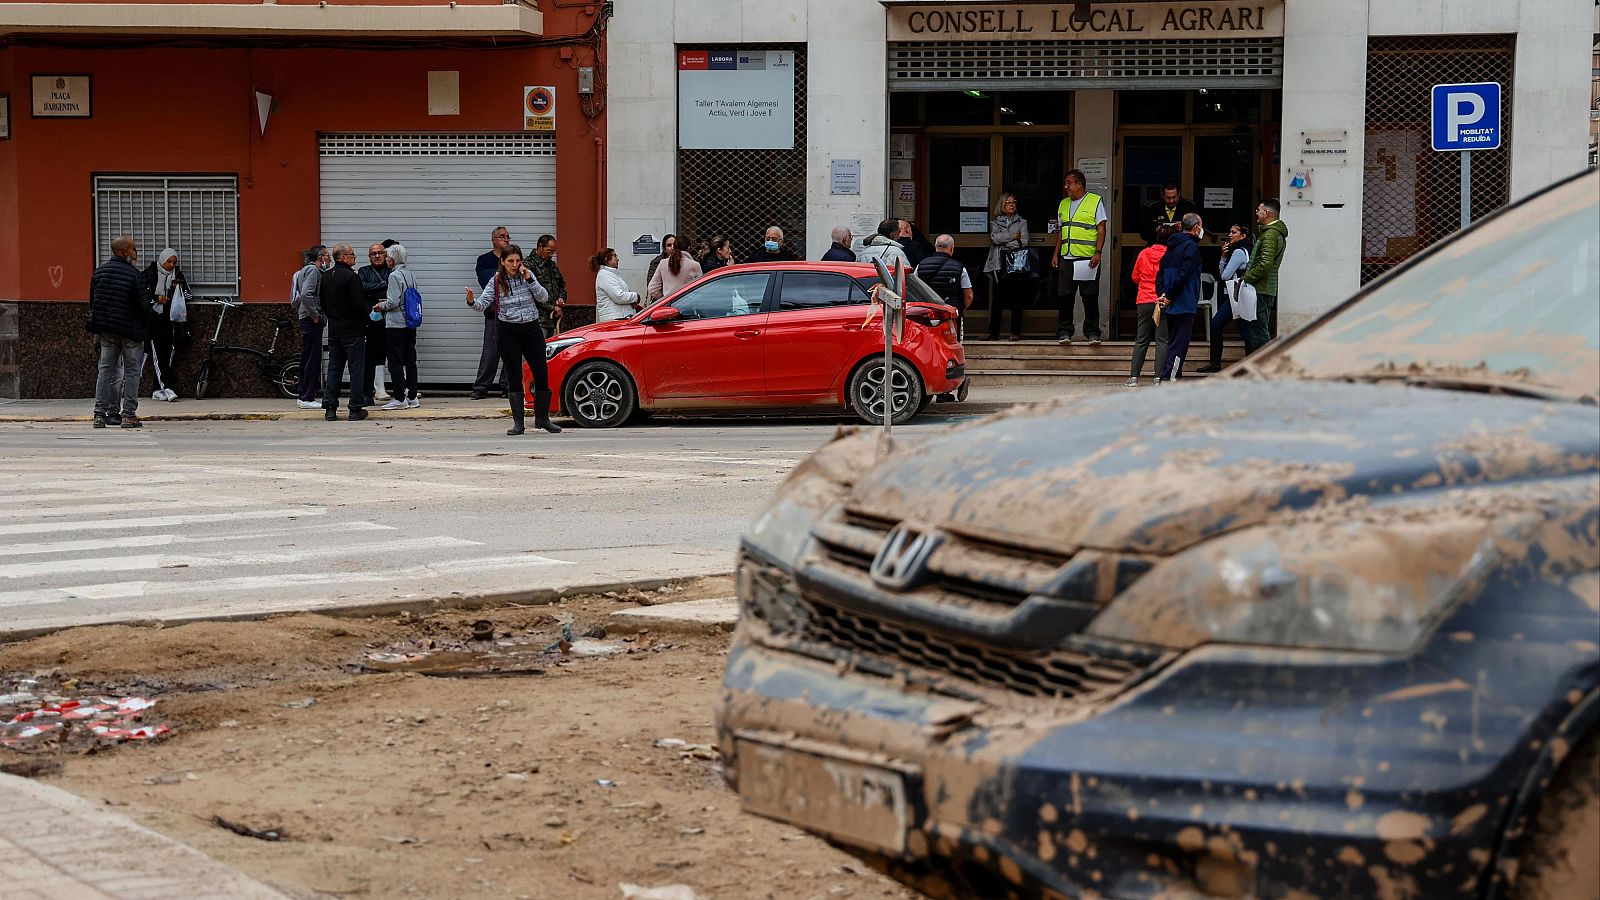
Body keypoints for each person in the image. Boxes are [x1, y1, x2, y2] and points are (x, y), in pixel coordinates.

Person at [466, 243, 562, 436]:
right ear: (502, 262)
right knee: (513, 375)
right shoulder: (496, 281)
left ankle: (542, 419)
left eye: (518, 261)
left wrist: (530, 279)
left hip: (531, 328)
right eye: (510, 261)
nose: (515, 264)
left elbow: (544, 297)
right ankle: (519, 423)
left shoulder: (527, 276)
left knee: (541, 372)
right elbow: (483, 304)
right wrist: (471, 301)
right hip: (508, 331)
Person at [87, 235, 153, 429]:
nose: (136, 252)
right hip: (131, 332)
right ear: (125, 252)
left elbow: (94, 301)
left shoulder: (99, 273)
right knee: (132, 373)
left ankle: (100, 414)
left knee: (105, 371)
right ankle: (128, 415)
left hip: (107, 331)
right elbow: (144, 306)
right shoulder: (134, 275)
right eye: (134, 249)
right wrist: (145, 328)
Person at [1051, 169, 1106, 344]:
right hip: (1067, 257)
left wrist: (1098, 252)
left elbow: (1101, 229)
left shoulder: (1095, 201)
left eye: (1069, 183)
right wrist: (1056, 254)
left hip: (1087, 259)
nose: (1066, 186)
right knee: (1065, 296)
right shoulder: (1063, 204)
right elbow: (1061, 231)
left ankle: (1092, 332)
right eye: (1065, 183)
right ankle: (1065, 331)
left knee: (1089, 296)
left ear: (1079, 184)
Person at [1197, 223, 1257, 373]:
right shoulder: (1248, 250)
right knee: (1245, 330)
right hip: (1243, 294)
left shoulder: (1237, 252)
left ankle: (1215, 363)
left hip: (1236, 295)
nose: (1230, 235)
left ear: (1243, 235)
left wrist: (1223, 257)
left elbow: (1225, 275)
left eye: (1234, 232)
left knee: (1217, 325)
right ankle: (1251, 364)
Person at [320, 243, 369, 421]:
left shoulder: (326, 276)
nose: (355, 257)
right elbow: (359, 304)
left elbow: (323, 303)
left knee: (334, 368)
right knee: (356, 369)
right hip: (353, 330)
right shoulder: (351, 277)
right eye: (352, 254)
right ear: (343, 258)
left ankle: (330, 408)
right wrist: (366, 322)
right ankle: (355, 408)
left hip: (334, 330)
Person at [1154, 213, 1204, 383]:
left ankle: (1169, 376)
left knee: (1173, 341)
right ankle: (1170, 378)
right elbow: (1184, 274)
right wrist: (1168, 295)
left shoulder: (1171, 246)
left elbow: (1160, 273)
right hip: (1184, 301)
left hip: (1171, 301)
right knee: (1179, 344)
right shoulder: (1191, 248)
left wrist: (1162, 294)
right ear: (1196, 228)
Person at [374, 243, 421, 410]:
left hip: (396, 324)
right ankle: (413, 396)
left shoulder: (394, 276)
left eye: (387, 257)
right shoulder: (410, 274)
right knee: (410, 360)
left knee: (395, 360)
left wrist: (381, 306)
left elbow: (393, 302)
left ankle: (399, 397)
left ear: (392, 260)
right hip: (410, 322)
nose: (386, 260)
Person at [1126, 223, 1173, 387]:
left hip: (1144, 299)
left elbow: (1135, 277)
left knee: (1141, 339)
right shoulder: (1170, 255)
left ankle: (1133, 378)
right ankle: (1158, 378)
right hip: (1162, 300)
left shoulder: (1143, 253)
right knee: (1162, 340)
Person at [142, 247, 190, 401]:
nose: (171, 265)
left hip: (172, 321)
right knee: (157, 356)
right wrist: (156, 299)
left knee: (168, 355)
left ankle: (158, 389)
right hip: (154, 321)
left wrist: (179, 288)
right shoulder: (149, 274)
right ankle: (167, 387)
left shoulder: (178, 276)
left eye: (174, 262)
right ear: (162, 260)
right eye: (169, 261)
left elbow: (189, 295)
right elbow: (141, 295)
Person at [471, 226, 511, 400]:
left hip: (511, 311)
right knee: (490, 350)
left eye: (508, 237)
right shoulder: (484, 260)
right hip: (493, 312)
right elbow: (488, 282)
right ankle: (481, 386)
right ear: (494, 239)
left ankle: (508, 386)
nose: (506, 239)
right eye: (502, 236)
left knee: (511, 350)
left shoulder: (512, 259)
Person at [1242, 198, 1288, 351]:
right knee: (1258, 328)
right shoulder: (1273, 233)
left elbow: (1265, 264)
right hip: (1264, 287)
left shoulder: (1270, 235)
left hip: (1261, 288)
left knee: (1259, 331)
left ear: (1266, 213)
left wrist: (1247, 277)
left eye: (1258, 210)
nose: (1256, 213)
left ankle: (1267, 365)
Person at [983, 193, 1030, 341]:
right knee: (997, 299)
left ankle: (1015, 332)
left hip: (1016, 264)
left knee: (1017, 298)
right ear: (1002, 205)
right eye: (1008, 202)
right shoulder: (995, 222)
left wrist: (1006, 240)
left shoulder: (1022, 222)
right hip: (999, 264)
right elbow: (995, 238)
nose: (1012, 205)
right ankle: (993, 333)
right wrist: (1012, 236)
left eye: (1014, 202)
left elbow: (1024, 240)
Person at [291, 245, 328, 410]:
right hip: (310, 318)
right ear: (320, 257)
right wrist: (315, 315)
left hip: (305, 317)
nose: (329, 259)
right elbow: (307, 294)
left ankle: (303, 394)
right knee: (313, 358)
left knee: (307, 357)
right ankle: (308, 397)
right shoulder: (313, 271)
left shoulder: (304, 270)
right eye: (327, 256)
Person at [914, 235, 972, 338]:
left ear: (935, 247)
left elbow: (914, 289)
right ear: (952, 248)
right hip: (951, 311)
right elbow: (968, 295)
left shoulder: (921, 266)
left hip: (927, 312)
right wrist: (961, 308)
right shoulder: (960, 268)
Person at [358, 242, 393, 406]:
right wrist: (383, 285)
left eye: (380, 253)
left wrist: (378, 291)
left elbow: (395, 290)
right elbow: (362, 287)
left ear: (386, 255)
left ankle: (401, 389)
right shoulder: (364, 271)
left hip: (392, 320)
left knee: (394, 354)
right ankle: (370, 392)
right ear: (369, 256)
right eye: (373, 254)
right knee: (370, 357)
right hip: (371, 321)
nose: (377, 256)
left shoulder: (391, 270)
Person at [528, 234, 568, 335]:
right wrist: (552, 307)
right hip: (538, 319)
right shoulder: (529, 264)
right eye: (549, 251)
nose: (550, 255)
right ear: (540, 247)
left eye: (553, 252)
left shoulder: (552, 265)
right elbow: (532, 292)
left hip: (553, 319)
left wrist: (561, 298)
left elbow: (562, 285)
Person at [591, 248, 642, 322]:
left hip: (619, 318)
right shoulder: (605, 275)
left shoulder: (611, 274)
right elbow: (619, 296)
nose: (618, 259)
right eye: (615, 256)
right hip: (615, 320)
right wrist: (636, 296)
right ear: (606, 259)